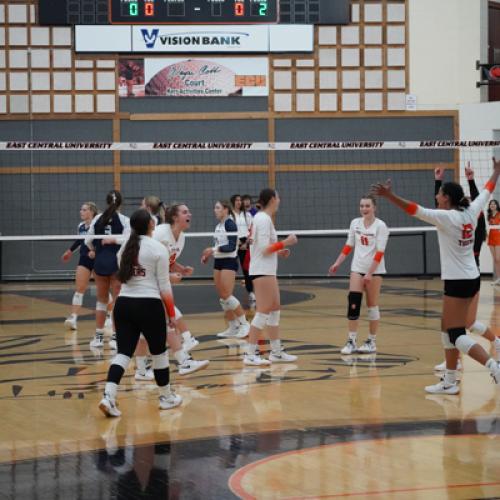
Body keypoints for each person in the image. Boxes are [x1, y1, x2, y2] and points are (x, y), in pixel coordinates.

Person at [372, 158, 500, 394]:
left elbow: (414, 209)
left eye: (439, 193)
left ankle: (493, 365)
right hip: (471, 277)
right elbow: (487, 190)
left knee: (456, 333)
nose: (437, 197)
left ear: (447, 198)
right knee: (445, 328)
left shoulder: (446, 218)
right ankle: (450, 381)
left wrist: (390, 196)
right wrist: (496, 172)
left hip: (458, 281)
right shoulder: (471, 210)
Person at [98, 209, 182, 417]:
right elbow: (164, 286)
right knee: (159, 352)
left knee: (124, 353)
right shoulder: (157, 248)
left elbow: (126, 277)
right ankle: (166, 397)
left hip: (124, 305)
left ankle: (108, 396)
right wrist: (171, 314)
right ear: (151, 225)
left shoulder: (125, 247)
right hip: (149, 305)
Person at [433, 164, 496, 372]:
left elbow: (438, 211)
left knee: (462, 326)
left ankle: (492, 353)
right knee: (451, 324)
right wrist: (439, 183)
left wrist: (469, 181)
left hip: (465, 278)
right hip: (468, 277)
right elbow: (442, 208)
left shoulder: (465, 220)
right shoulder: (461, 217)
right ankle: (454, 363)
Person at [243, 188, 298, 366]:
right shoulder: (263, 219)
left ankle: (276, 352)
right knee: (264, 310)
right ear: (273, 199)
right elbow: (265, 249)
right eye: (278, 196)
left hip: (267, 269)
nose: (280, 200)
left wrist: (280, 251)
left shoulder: (262, 218)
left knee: (274, 308)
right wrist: (286, 242)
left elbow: (263, 247)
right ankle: (250, 354)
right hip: (262, 270)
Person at [328, 195, 389, 355]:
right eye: (361, 206)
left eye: (367, 206)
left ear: (374, 207)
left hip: (375, 271)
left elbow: (380, 252)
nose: (364, 209)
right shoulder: (355, 223)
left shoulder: (381, 226)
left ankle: (371, 341)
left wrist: (369, 273)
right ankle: (351, 341)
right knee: (353, 302)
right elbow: (349, 245)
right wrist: (337, 263)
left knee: (372, 305)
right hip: (357, 268)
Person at [153, 203, 209, 375]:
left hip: (160, 282)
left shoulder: (182, 237)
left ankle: (183, 355)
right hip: (147, 282)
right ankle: (186, 342)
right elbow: (147, 261)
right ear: (175, 217)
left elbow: (167, 260)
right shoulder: (160, 233)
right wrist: (168, 276)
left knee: (165, 323)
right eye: (185, 212)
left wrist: (180, 269)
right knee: (167, 320)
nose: (189, 214)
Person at [86, 190, 130, 350]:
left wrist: (94, 250)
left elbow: (88, 241)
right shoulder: (125, 220)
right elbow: (128, 240)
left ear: (106, 202)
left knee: (101, 300)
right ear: (121, 203)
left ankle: (98, 337)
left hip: (100, 262)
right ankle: (116, 337)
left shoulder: (97, 218)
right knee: (118, 300)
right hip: (117, 263)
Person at [201, 200, 251, 339]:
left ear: (225, 210)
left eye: (217, 208)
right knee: (223, 298)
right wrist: (208, 255)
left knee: (227, 295)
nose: (215, 210)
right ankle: (232, 326)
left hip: (229, 261)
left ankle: (245, 324)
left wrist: (212, 249)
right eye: (215, 207)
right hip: (218, 261)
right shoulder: (219, 226)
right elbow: (218, 244)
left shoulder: (230, 224)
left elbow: (231, 246)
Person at [61, 202, 98, 330]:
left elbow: (102, 241)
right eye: (81, 209)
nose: (81, 212)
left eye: (84, 210)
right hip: (84, 259)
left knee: (102, 290)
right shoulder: (81, 226)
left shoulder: (98, 225)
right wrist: (69, 251)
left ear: (91, 212)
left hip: (98, 259)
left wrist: (96, 251)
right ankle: (73, 318)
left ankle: (109, 316)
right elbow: (79, 240)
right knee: (79, 289)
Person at [230, 194, 255, 308]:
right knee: (231, 269)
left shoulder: (247, 215)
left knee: (247, 270)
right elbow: (228, 230)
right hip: (234, 242)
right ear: (233, 202)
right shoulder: (230, 215)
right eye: (237, 200)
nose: (239, 202)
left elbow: (252, 229)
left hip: (245, 243)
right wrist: (236, 242)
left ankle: (251, 292)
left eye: (240, 200)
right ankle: (228, 294)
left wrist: (246, 243)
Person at [487, 199, 500, 284]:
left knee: (498, 259)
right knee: (495, 259)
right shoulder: (489, 215)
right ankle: (498, 278)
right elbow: (488, 227)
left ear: (497, 205)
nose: (492, 205)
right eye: (491, 204)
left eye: (494, 204)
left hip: (498, 237)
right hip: (491, 237)